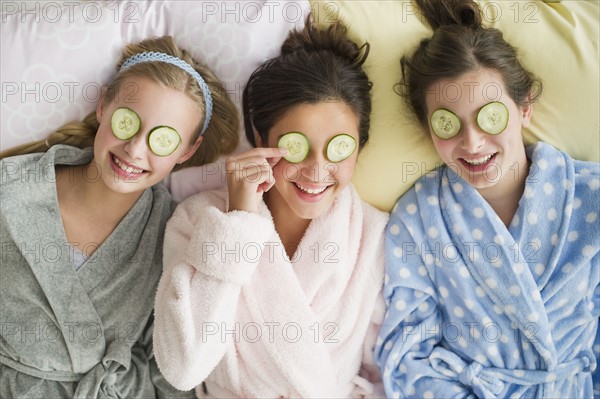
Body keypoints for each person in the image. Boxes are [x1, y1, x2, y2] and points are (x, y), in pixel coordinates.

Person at [375, 0, 600, 398]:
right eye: (448, 124)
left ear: (524, 107)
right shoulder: (419, 217)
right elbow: (407, 352)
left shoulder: (591, 195)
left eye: (489, 116)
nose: (472, 143)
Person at [153, 21, 388, 398]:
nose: (316, 169)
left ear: (359, 146)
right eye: (296, 146)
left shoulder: (374, 236)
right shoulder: (198, 219)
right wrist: (239, 222)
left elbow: (385, 374)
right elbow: (183, 368)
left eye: (339, 147)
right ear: (260, 139)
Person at [0, 35, 239, 398]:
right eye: (127, 122)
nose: (135, 150)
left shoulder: (174, 235)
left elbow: (171, 365)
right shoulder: (11, 190)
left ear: (188, 151)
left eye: (164, 139)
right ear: (103, 108)